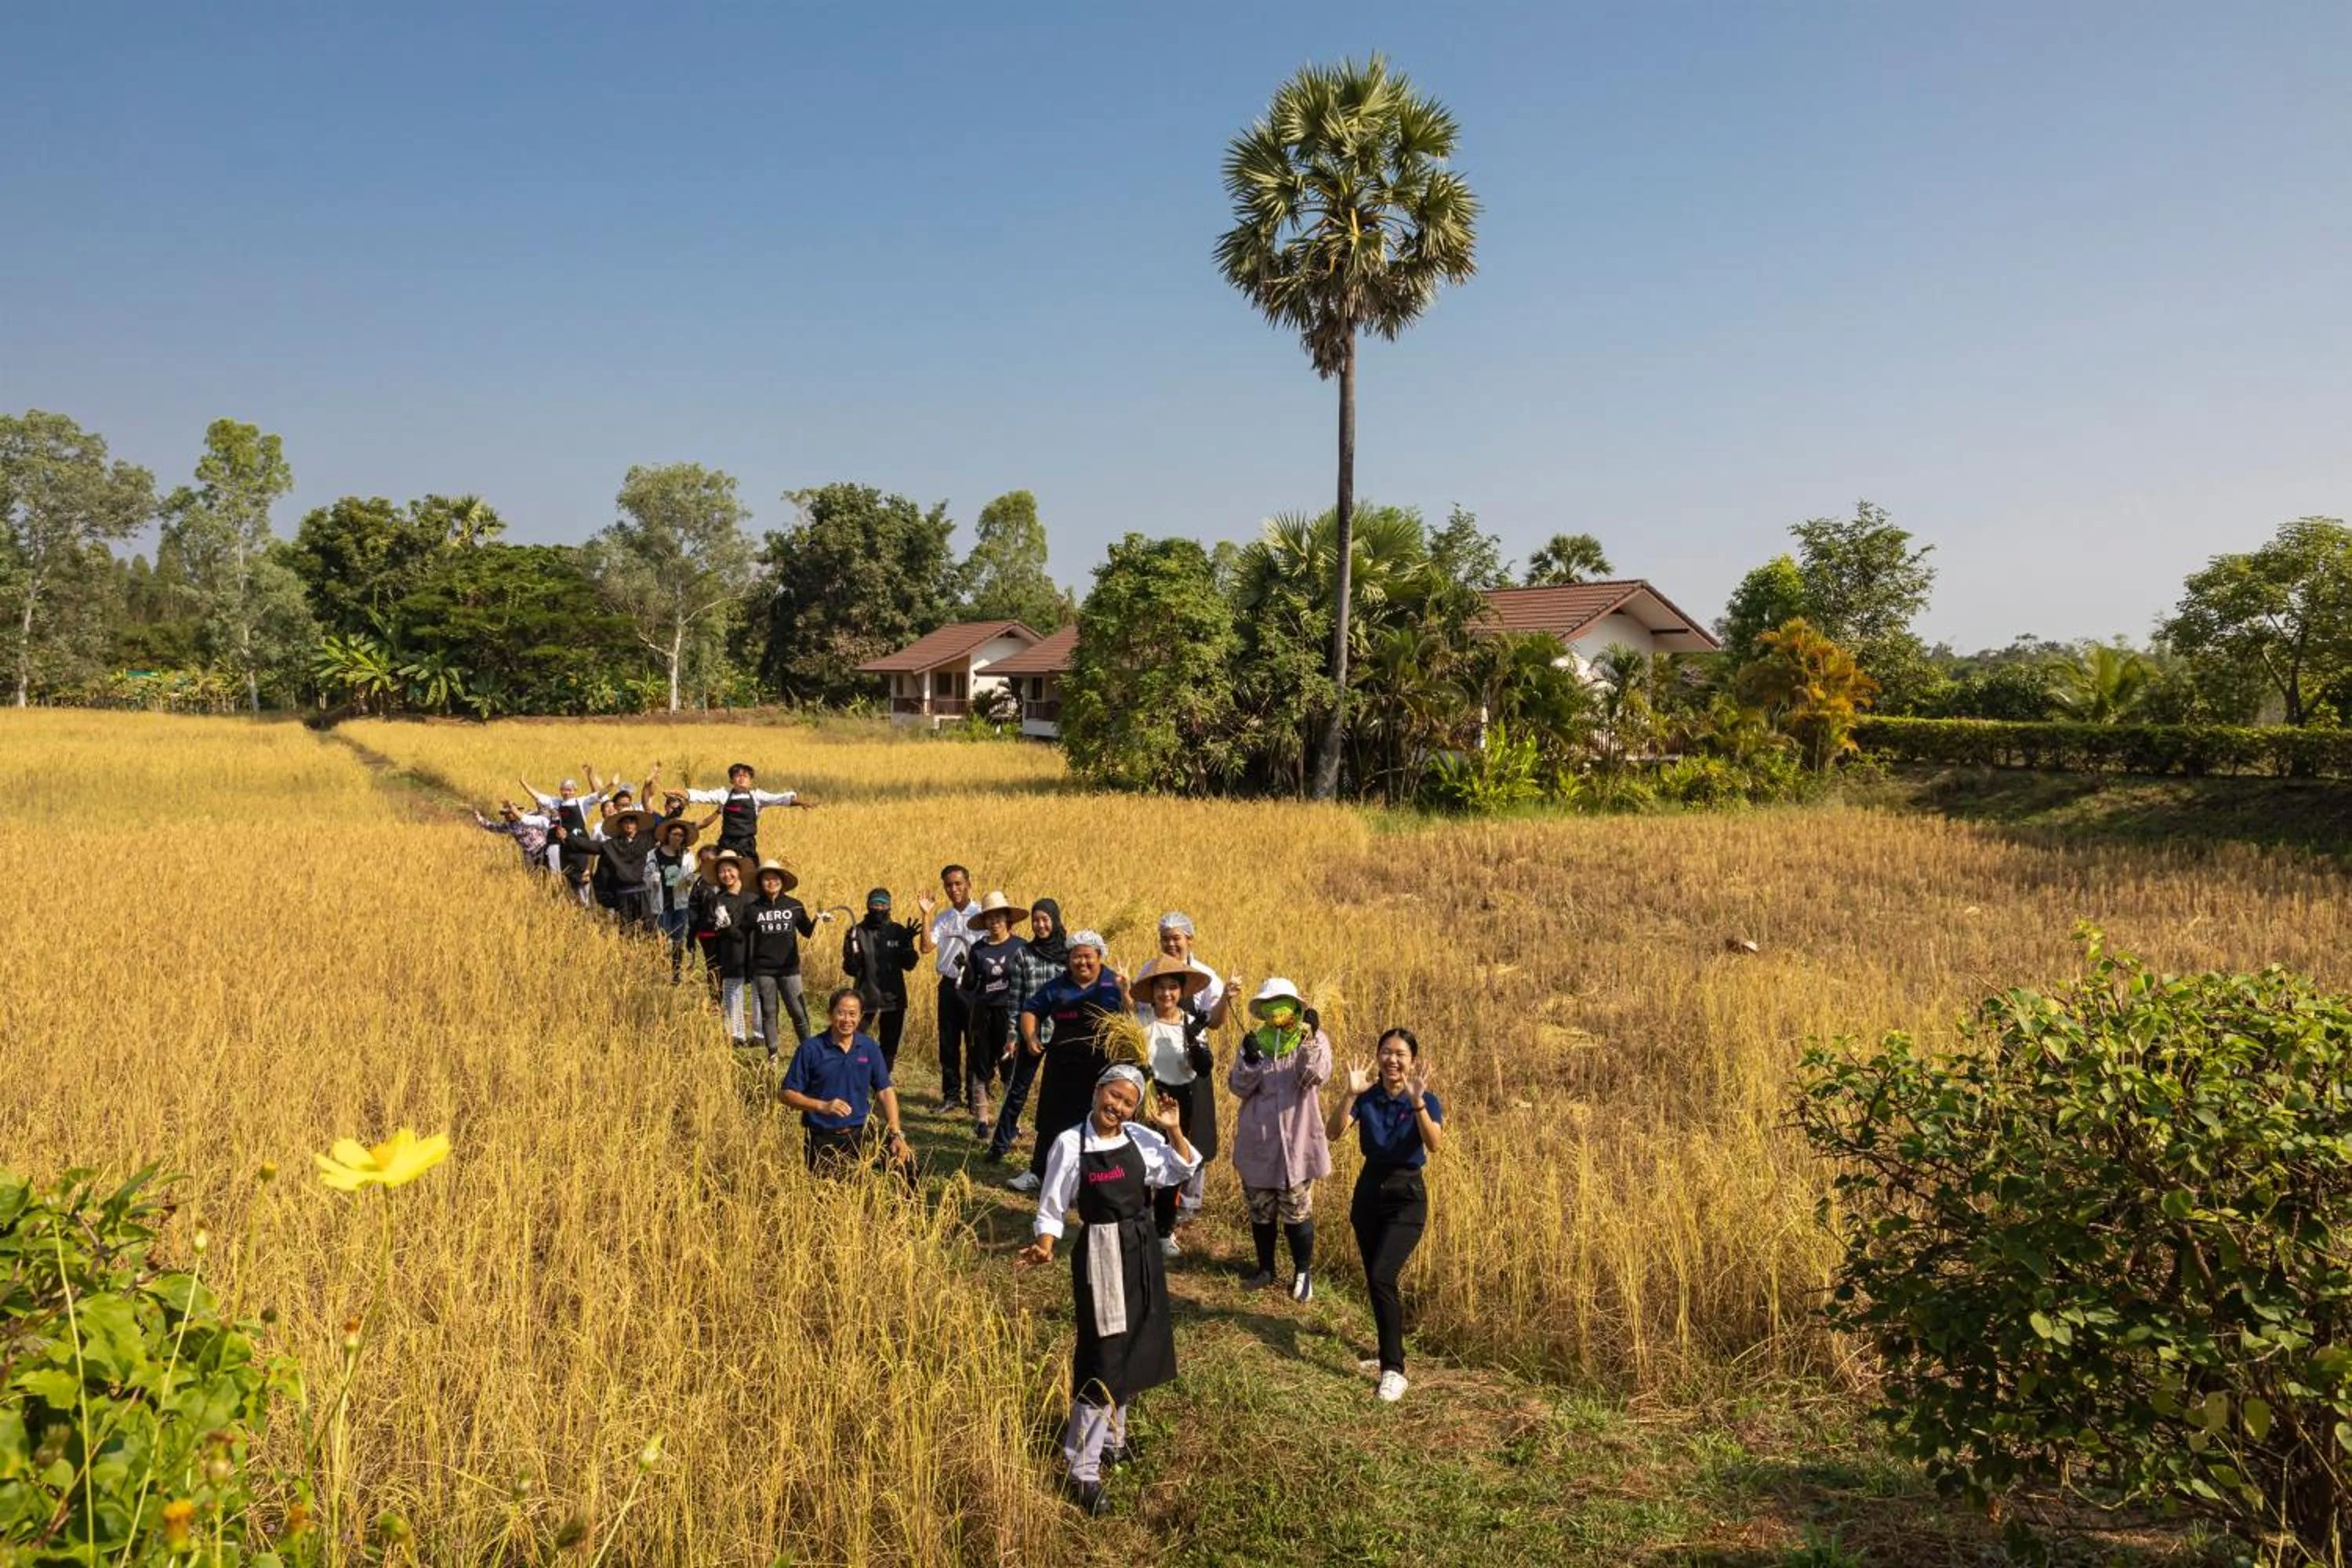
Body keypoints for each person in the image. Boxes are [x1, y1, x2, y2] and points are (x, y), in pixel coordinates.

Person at [1016, 1064, 1200, 1516]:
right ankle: (1083, 1468)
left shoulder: (1140, 1139)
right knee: (1104, 1354)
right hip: (1100, 1251)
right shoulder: (1070, 1143)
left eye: (1127, 1102)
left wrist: (1174, 1129)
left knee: (1136, 1342)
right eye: (1111, 1096)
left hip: (1140, 1251)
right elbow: (1053, 1206)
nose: (1116, 1107)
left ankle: (1114, 1442)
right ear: (1097, 1090)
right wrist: (1045, 1246)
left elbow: (1184, 1166)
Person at [1326, 1027, 1445, 1403]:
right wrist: (1349, 1094)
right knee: (1377, 1282)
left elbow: (1435, 1144)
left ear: (1412, 1061)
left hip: (1407, 1196)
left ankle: (1394, 1370)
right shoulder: (1368, 1095)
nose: (1392, 1060)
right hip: (1369, 1192)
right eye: (1386, 1052)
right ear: (1377, 1056)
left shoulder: (1424, 1099)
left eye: (1401, 1054)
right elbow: (1332, 1133)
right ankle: (1386, 1354)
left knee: (1382, 1275)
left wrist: (1418, 1104)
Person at [1227, 978, 1332, 1301]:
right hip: (1259, 1139)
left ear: (1296, 1007)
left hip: (1297, 1141)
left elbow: (1314, 1077)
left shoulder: (1312, 1038)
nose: (1277, 1012)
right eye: (1270, 1005)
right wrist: (1252, 1062)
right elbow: (1238, 1087)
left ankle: (1303, 1271)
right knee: (1260, 1209)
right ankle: (1266, 1269)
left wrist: (1310, 1040)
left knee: (1297, 1210)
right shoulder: (1255, 1041)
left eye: (1283, 1003)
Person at [1009, 930, 1127, 1195]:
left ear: (1100, 957)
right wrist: (1030, 1036)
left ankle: (1092, 1181)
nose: (1082, 963)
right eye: (1076, 957)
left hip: (1102, 1068)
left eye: (1088, 957)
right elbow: (1030, 1009)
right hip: (1061, 1062)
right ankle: (1038, 1173)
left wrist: (1127, 992)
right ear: (1068, 959)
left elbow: (1133, 1015)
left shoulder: (1114, 984)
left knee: (1098, 1122)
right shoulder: (1058, 985)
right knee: (1050, 1120)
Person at [1150, 913, 1242, 1230]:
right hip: (1158, 1061)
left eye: (1176, 938)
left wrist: (1226, 1000)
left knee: (1195, 1128)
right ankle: (1158, 1197)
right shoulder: (1152, 972)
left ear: (1190, 939)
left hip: (1193, 1060)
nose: (1171, 944)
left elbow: (1215, 1022)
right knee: (1157, 1130)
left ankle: (1189, 1201)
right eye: (1165, 939)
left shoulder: (1205, 976)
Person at [1129, 956, 1218, 1259]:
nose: (1166, 994)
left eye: (1172, 988)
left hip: (1180, 1100)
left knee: (1172, 1164)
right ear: (1152, 992)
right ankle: (1138, 1223)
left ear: (1181, 992)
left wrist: (1194, 1042)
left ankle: (1165, 1229)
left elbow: (1203, 1067)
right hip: (1147, 1094)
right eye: (1161, 988)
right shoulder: (1141, 1021)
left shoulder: (1190, 1024)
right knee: (1139, 1161)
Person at [779, 988, 914, 1178]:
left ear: (860, 1017)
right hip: (822, 1138)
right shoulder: (810, 1049)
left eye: (852, 1014)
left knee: (908, 1167)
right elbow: (786, 1094)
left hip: (861, 1134)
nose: (847, 1020)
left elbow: (884, 1090)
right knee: (830, 1196)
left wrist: (896, 1133)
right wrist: (822, 1106)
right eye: (841, 1013)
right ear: (830, 1015)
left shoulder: (869, 1048)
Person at [986, 897, 1068, 1164]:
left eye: (1045, 920)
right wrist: (1013, 1035)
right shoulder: (1024, 954)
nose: (1040, 925)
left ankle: (1055, 1151)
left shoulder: (1069, 954)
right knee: (1017, 1090)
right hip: (1030, 1032)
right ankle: (999, 1144)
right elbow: (1016, 999)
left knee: (1058, 1094)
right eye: (1036, 920)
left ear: (1055, 920)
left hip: (1062, 1033)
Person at [955, 891, 1030, 1141]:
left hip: (1010, 1015)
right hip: (984, 1014)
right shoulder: (978, 950)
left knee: (1010, 1069)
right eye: (989, 918)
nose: (994, 922)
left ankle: (1012, 1122)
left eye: (999, 917)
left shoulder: (1020, 947)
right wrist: (963, 972)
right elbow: (969, 986)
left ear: (1008, 919)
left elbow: (1028, 983)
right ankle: (982, 1119)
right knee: (981, 1066)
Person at [916, 865, 982, 1114]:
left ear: (968, 883)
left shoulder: (982, 915)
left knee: (975, 1043)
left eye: (958, 883)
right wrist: (925, 915)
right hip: (948, 986)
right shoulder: (943, 918)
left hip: (975, 987)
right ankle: (951, 1095)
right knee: (948, 1042)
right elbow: (925, 948)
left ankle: (976, 1099)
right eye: (948, 885)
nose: (953, 889)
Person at [840, 888, 922, 1072]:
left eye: (883, 904)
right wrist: (852, 955)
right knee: (857, 1040)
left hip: (893, 998)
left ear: (889, 906)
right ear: (868, 905)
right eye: (875, 904)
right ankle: (860, 1072)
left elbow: (909, 965)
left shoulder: (898, 931)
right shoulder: (857, 932)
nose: (878, 908)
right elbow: (850, 969)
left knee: (889, 1045)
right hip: (864, 996)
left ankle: (883, 1082)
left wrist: (907, 944)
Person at [744, 859, 816, 1053]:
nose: (771, 882)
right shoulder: (753, 909)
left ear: (782, 881)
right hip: (763, 969)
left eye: (775, 878)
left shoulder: (794, 906)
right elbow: (741, 934)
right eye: (766, 879)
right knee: (769, 1012)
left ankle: (808, 1050)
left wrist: (818, 918)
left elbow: (807, 931)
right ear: (760, 883)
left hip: (790, 968)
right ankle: (773, 1054)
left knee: (798, 1012)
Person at [684, 761, 816, 862]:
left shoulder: (757, 796)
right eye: (738, 776)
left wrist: (801, 803)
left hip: (747, 844)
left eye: (745, 776)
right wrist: (681, 793)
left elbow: (780, 799)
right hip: (726, 843)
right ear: (731, 780)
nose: (742, 778)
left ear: (750, 780)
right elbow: (702, 796)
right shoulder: (724, 794)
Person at [702, 851, 755, 1051]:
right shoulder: (718, 899)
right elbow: (710, 923)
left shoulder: (751, 896)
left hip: (751, 946)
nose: (727, 875)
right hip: (730, 948)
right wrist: (718, 923)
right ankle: (734, 1034)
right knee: (732, 989)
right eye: (722, 871)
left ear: (738, 871)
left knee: (756, 991)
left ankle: (757, 1034)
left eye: (730, 870)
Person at [652, 816, 713, 982]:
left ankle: (676, 973)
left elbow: (690, 877)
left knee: (678, 940)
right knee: (660, 939)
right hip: (660, 900)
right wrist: (653, 879)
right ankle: (659, 971)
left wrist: (687, 879)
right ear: (668, 835)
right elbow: (647, 875)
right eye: (674, 834)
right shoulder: (655, 853)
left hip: (679, 901)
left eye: (680, 835)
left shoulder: (687, 855)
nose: (677, 837)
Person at [590, 806, 659, 932]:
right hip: (622, 894)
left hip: (644, 893)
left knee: (648, 929)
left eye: (632, 821)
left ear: (637, 825)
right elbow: (602, 872)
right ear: (620, 825)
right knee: (626, 930)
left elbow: (665, 829)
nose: (629, 825)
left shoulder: (647, 839)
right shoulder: (612, 845)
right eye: (626, 822)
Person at [472, 800, 553, 873]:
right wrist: (479, 818)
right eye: (506, 814)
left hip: (542, 847)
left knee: (548, 870)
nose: (508, 815)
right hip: (528, 852)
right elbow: (493, 827)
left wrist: (538, 801)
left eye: (510, 812)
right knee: (531, 873)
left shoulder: (529, 815)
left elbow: (543, 814)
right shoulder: (508, 825)